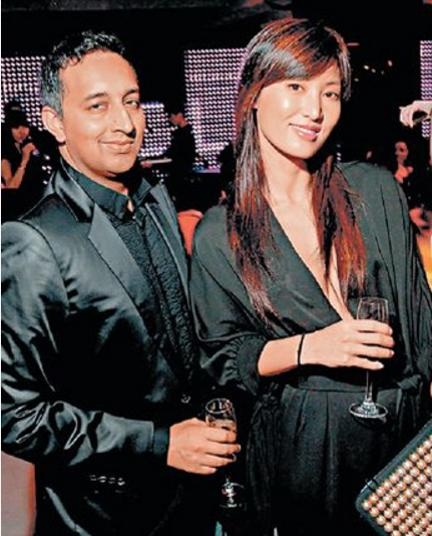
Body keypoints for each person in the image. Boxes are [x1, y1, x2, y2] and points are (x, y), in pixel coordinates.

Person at [189, 17, 432, 536]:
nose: (315, 109)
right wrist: (310, 347)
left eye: (330, 92)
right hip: (303, 448)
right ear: (254, 94)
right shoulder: (222, 233)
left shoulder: (375, 191)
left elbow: (421, 322)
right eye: (295, 86)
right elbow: (222, 358)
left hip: (402, 440)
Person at [1, 30, 240, 536]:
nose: (125, 123)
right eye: (98, 106)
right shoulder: (33, 241)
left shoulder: (154, 197)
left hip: (192, 500)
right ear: (55, 123)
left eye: (131, 101)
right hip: (107, 515)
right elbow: (15, 416)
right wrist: (159, 443)